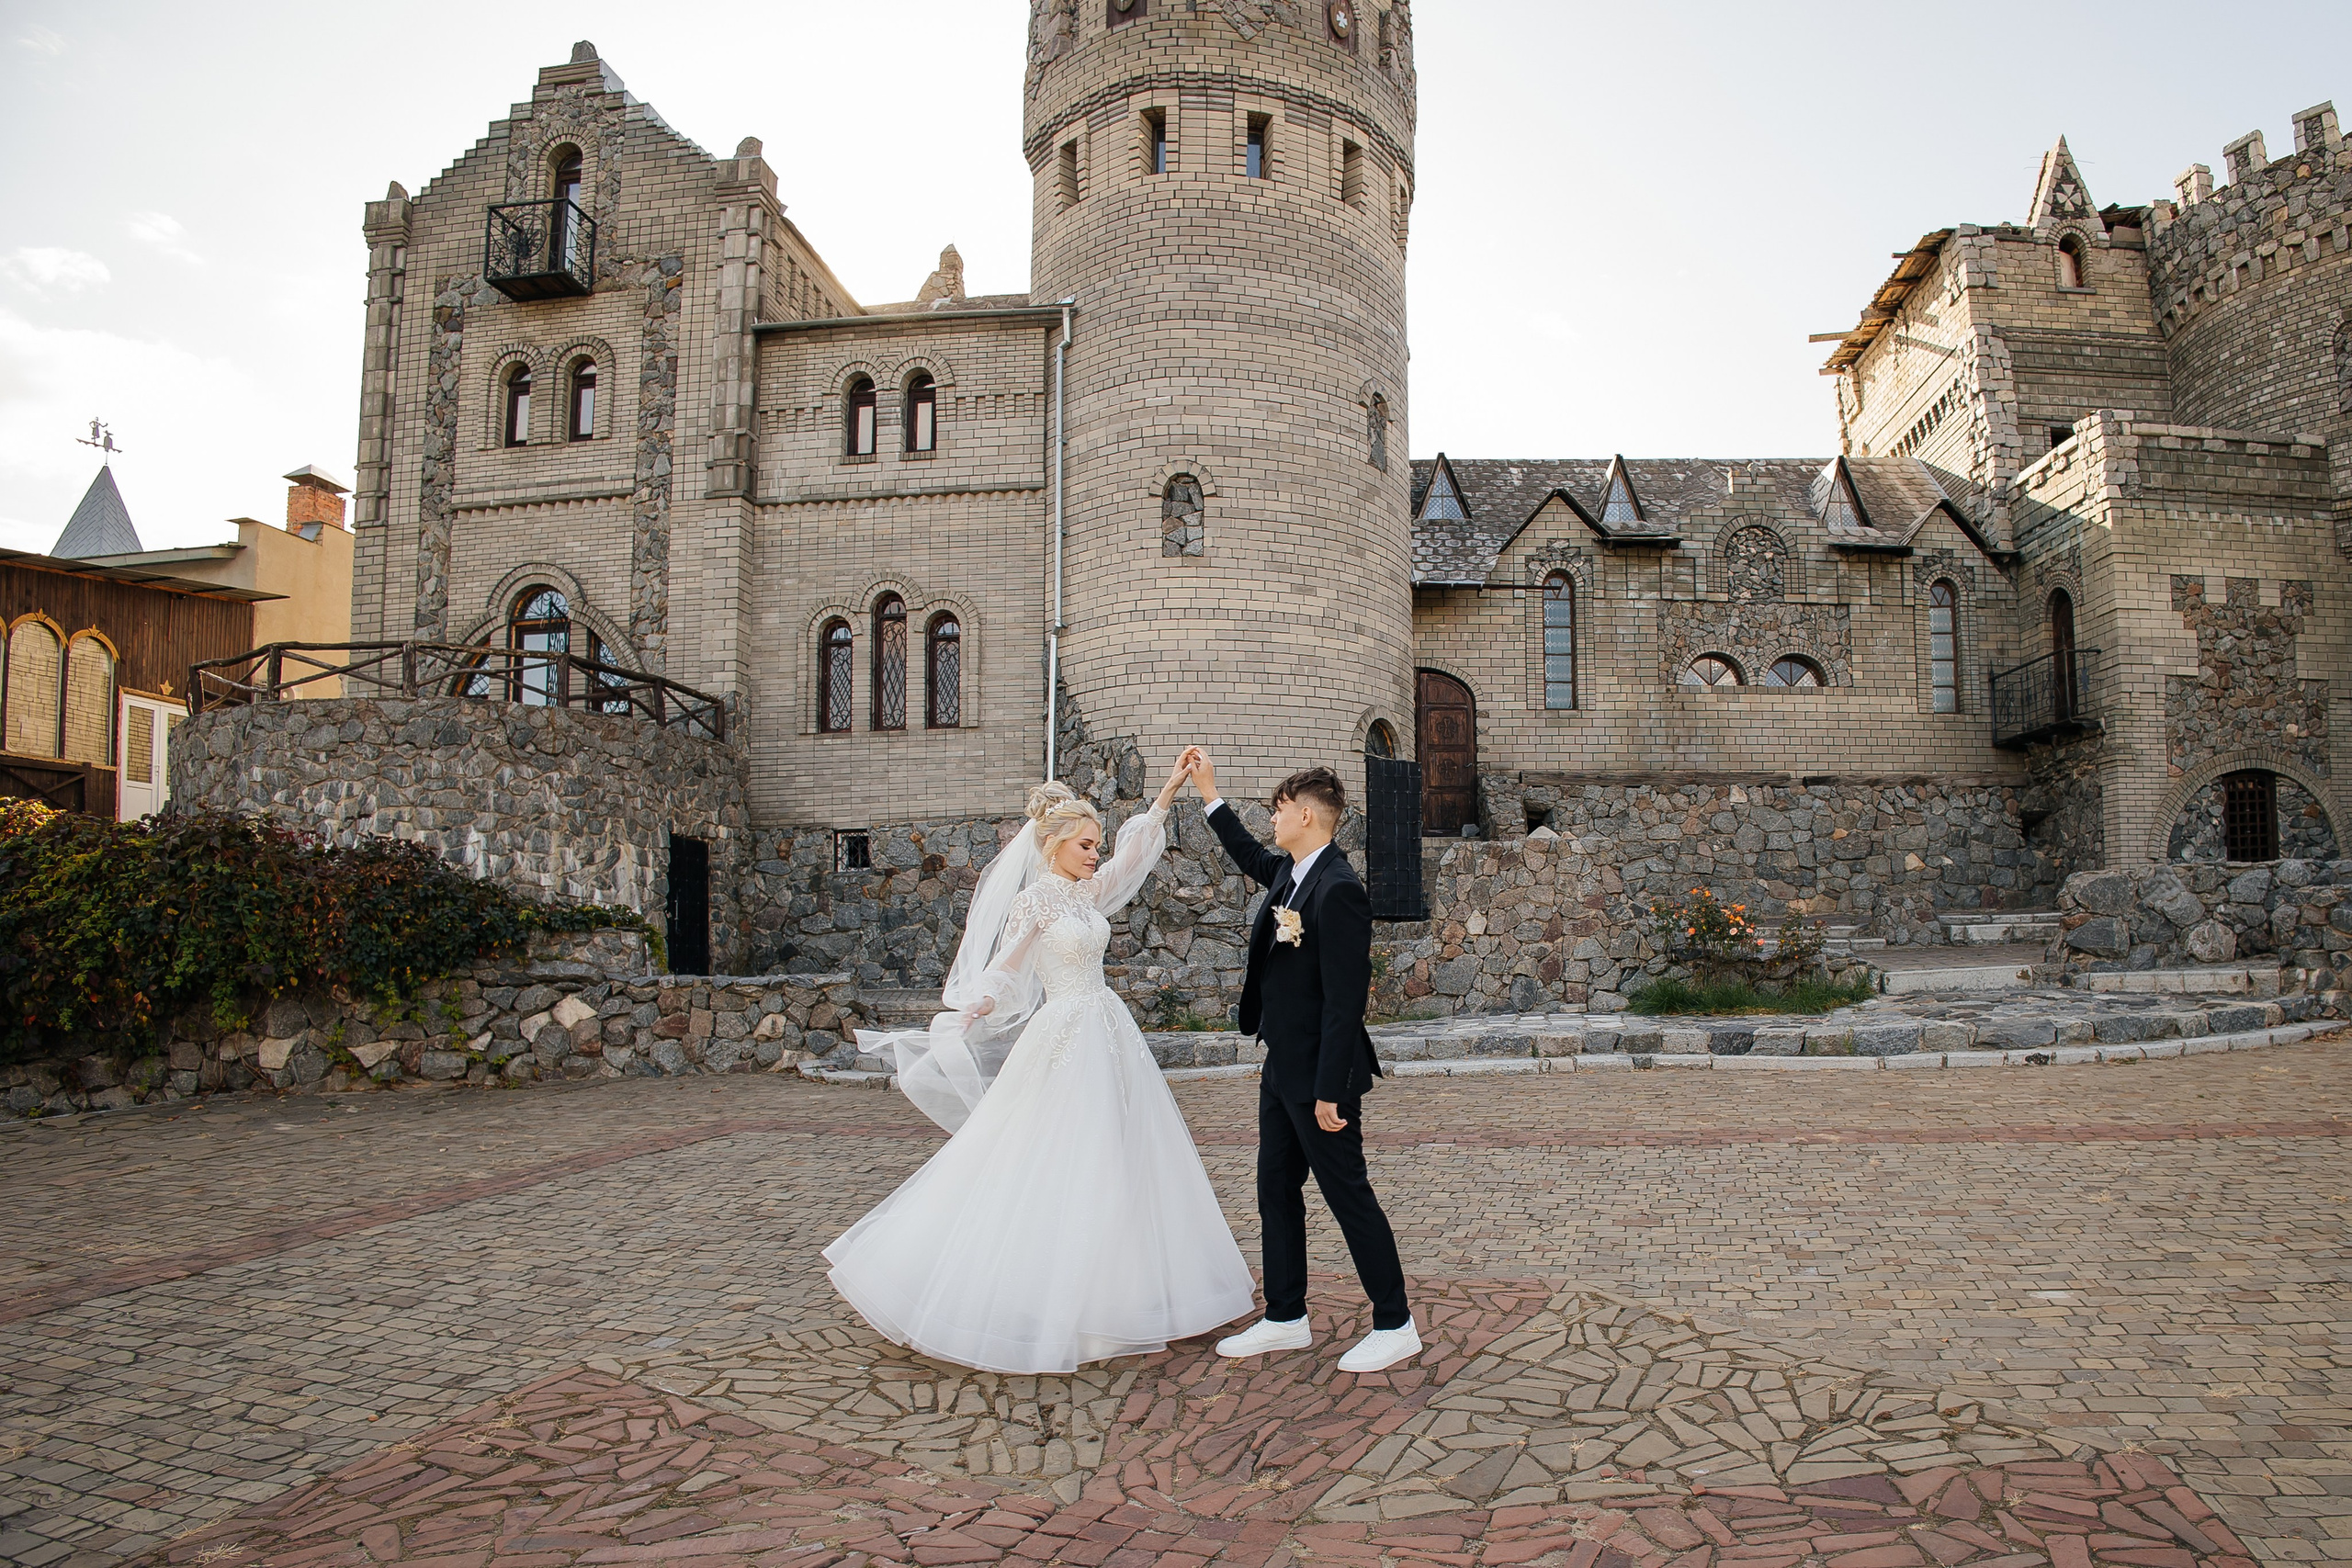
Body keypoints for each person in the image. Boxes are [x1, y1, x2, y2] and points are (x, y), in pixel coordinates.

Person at [822, 761, 1255, 1374]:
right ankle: (1051, 1299)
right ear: (1052, 843)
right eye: (1084, 845)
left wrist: (1166, 794)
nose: (1092, 854)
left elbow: (1132, 859)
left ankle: (1115, 1296)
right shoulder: (1035, 901)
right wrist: (973, 1007)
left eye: (1095, 845)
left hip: (1107, 1032)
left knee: (1118, 1154)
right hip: (1064, 1036)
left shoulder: (1086, 892)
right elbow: (1007, 966)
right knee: (1056, 1154)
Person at [1193, 753, 1419, 1374]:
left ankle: (1396, 1322)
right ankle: (1285, 1315)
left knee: (1348, 1195)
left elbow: (1347, 1002)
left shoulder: (1339, 888)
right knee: (1274, 1189)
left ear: (1307, 813)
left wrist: (1328, 1091)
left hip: (1323, 1076)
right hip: (1281, 1067)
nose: (1271, 818)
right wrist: (1210, 793)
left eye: (1278, 808)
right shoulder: (1290, 874)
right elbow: (1247, 852)